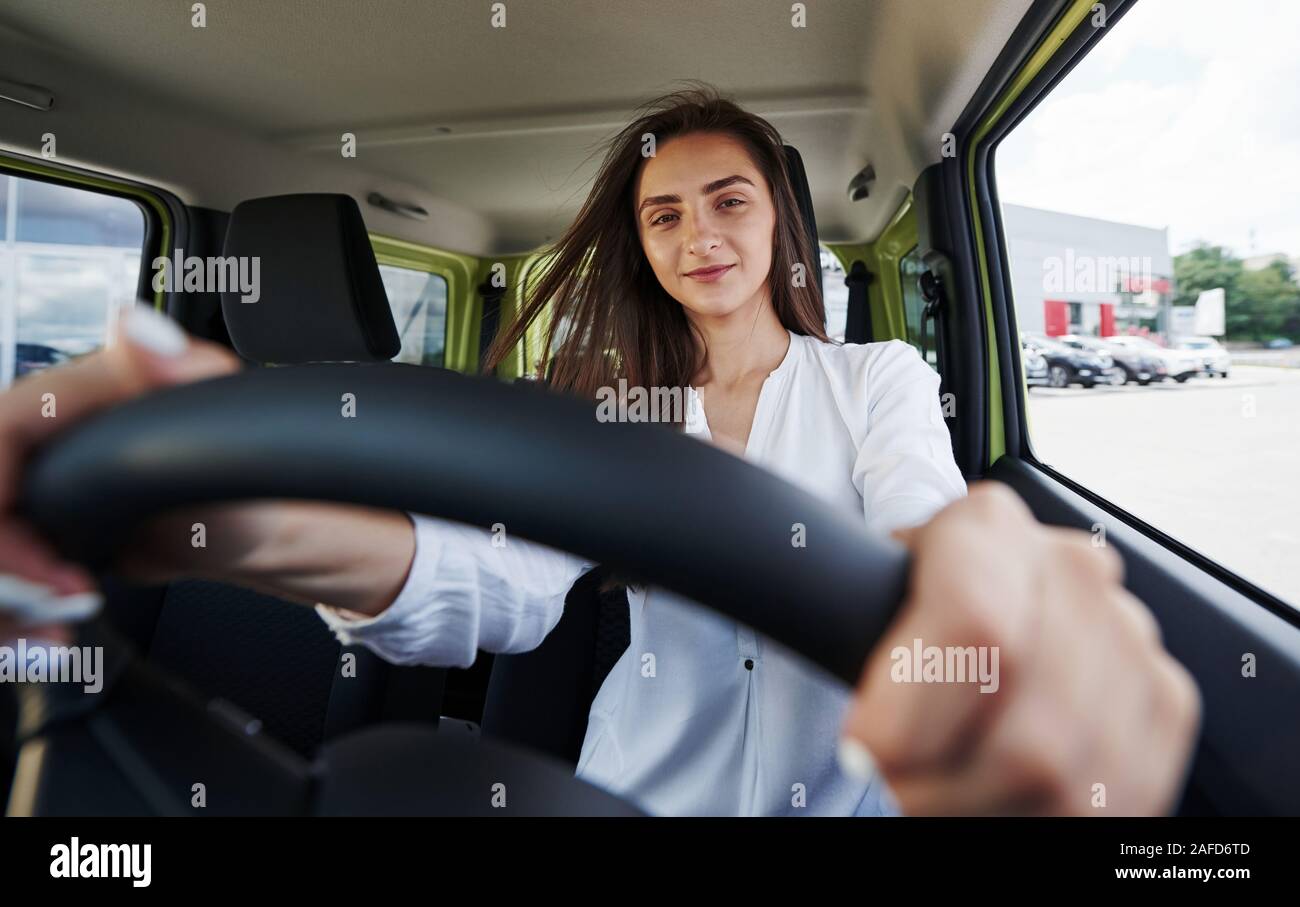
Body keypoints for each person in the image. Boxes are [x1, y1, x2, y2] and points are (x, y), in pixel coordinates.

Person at [0, 87, 1198, 816]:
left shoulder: (870, 378)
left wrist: (983, 603)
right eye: (663, 214)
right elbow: (495, 583)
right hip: (632, 804)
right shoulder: (608, 407)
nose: (698, 234)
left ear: (776, 213)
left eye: (727, 200)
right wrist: (240, 523)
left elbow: (920, 517)